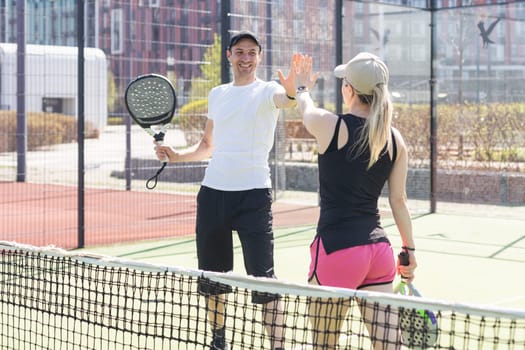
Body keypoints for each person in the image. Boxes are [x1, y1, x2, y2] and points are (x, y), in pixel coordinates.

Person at [155, 31, 297, 350]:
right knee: (212, 277)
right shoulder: (218, 94)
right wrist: (177, 156)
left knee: (263, 277)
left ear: (259, 57)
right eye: (240, 52)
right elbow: (208, 144)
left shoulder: (269, 91)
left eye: (252, 52)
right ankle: (218, 341)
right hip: (212, 196)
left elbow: (286, 100)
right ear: (229, 56)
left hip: (254, 196)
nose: (246, 58)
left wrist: (293, 89)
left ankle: (278, 346)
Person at [290, 52, 417, 349]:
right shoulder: (395, 139)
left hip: (337, 252)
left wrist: (300, 88)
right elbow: (399, 201)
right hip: (379, 253)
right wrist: (409, 251)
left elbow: (305, 108)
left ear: (349, 89)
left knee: (325, 345)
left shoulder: (330, 126)